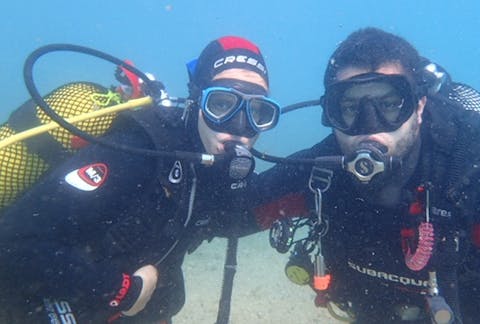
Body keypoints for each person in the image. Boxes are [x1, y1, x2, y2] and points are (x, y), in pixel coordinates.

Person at [247, 28, 480, 323]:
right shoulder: (322, 172)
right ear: (331, 114)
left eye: (388, 105)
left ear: (420, 106)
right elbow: (228, 211)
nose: (369, 127)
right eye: (349, 107)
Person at [0, 35, 280, 323]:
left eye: (258, 112)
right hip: (40, 301)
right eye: (221, 104)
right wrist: (119, 290)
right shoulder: (137, 152)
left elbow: (245, 209)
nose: (240, 127)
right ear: (197, 100)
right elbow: (11, 243)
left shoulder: (214, 173)